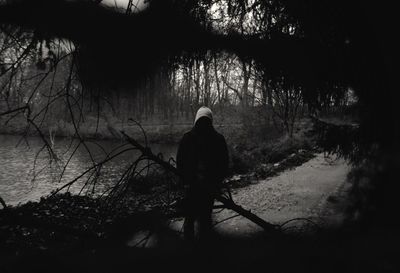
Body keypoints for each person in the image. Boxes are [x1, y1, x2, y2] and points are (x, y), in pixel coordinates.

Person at [176, 106, 229, 244]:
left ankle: (198, 249)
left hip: (203, 186)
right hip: (195, 185)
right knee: (197, 219)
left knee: (198, 219)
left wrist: (185, 180)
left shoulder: (189, 138)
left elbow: (223, 164)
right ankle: (198, 249)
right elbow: (180, 162)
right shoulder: (216, 138)